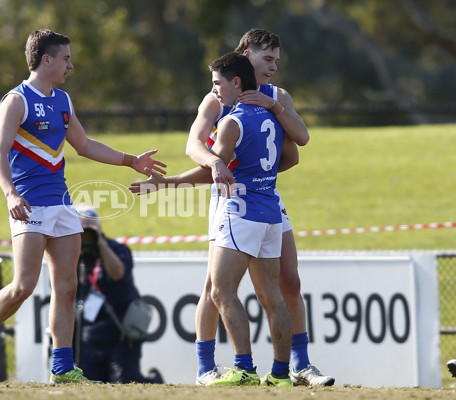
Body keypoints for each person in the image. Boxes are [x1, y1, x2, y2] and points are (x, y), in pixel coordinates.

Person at [0, 29, 166, 384]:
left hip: (62, 205)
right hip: (29, 206)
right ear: (46, 60)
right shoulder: (16, 100)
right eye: (66, 58)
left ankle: (63, 368)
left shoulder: (64, 101)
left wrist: (131, 160)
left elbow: (84, 145)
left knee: (67, 287)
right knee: (23, 286)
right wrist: (10, 193)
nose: (71, 64)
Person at [132, 28, 334, 387]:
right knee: (216, 285)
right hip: (229, 195)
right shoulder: (218, 98)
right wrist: (216, 164)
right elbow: (193, 144)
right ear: (246, 55)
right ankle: (206, 367)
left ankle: (299, 367)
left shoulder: (277, 96)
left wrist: (269, 122)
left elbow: (298, 145)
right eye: (267, 58)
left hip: (264, 195)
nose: (272, 67)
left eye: (276, 60)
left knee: (289, 280)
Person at [207, 51, 291, 386]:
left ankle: (243, 369)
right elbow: (292, 155)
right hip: (272, 213)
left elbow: (213, 172)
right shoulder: (273, 117)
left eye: (217, 83)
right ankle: (282, 375)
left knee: (221, 291)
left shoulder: (231, 122)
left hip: (242, 212)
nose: (215, 91)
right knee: (273, 297)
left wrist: (167, 183)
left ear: (236, 82)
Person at [73, 206, 164, 384]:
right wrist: (73, 246)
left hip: (120, 332)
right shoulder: (74, 255)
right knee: (90, 387)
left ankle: (154, 382)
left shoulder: (118, 249)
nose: (86, 235)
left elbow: (117, 274)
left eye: (89, 230)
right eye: (81, 230)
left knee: (124, 383)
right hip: (88, 337)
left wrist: (100, 243)